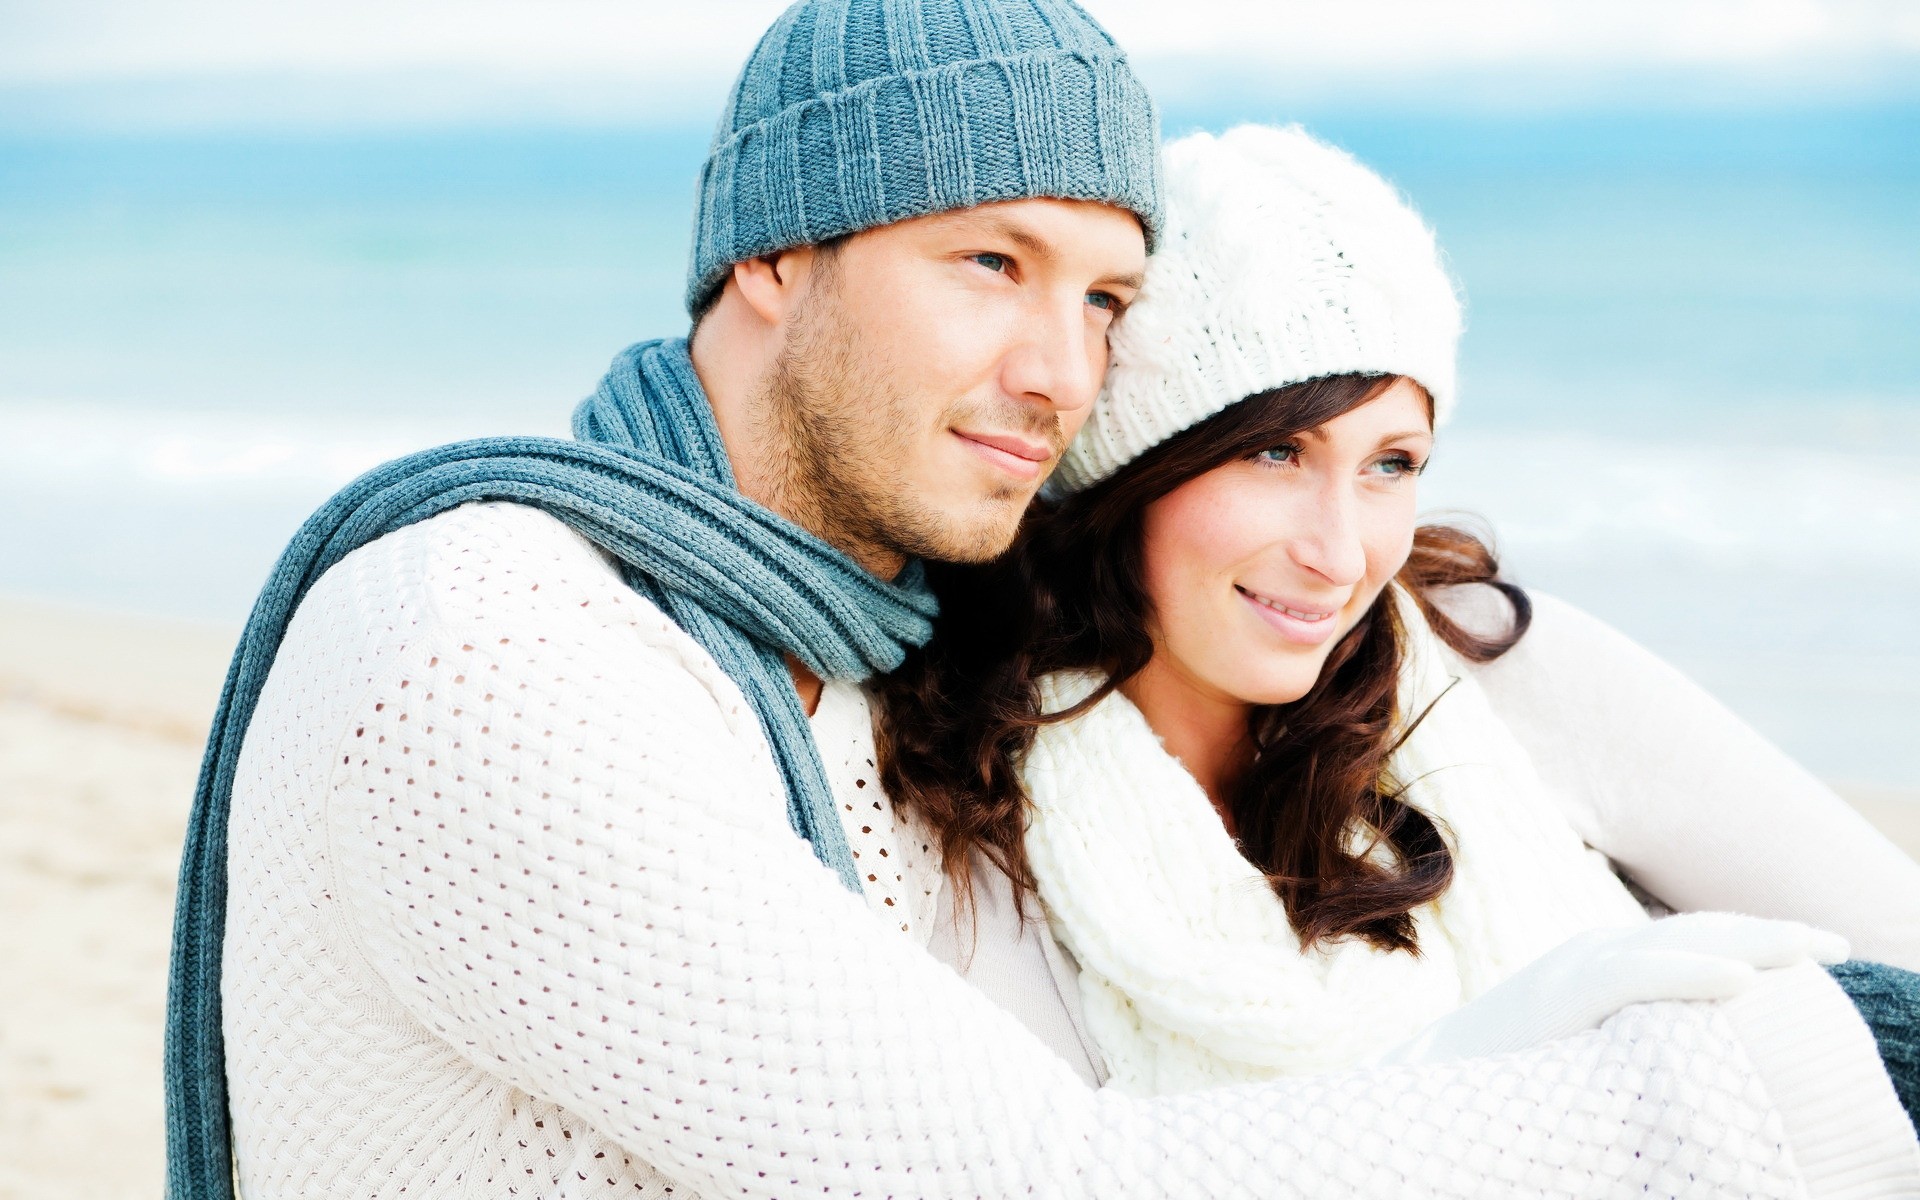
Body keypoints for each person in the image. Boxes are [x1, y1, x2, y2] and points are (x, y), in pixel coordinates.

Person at [166, 4, 1915, 1198]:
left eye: (1105, 299)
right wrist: (1790, 1075)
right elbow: (1026, 1177)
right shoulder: (493, 650)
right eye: (990, 263)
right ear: (775, 256)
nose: (1055, 368)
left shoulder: (871, 657)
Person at [878, 120, 1920, 1151]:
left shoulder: (1504, 671)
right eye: (1276, 454)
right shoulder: (963, 811)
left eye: (1392, 464)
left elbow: (1900, 972)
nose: (1339, 555)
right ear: (1127, 474)